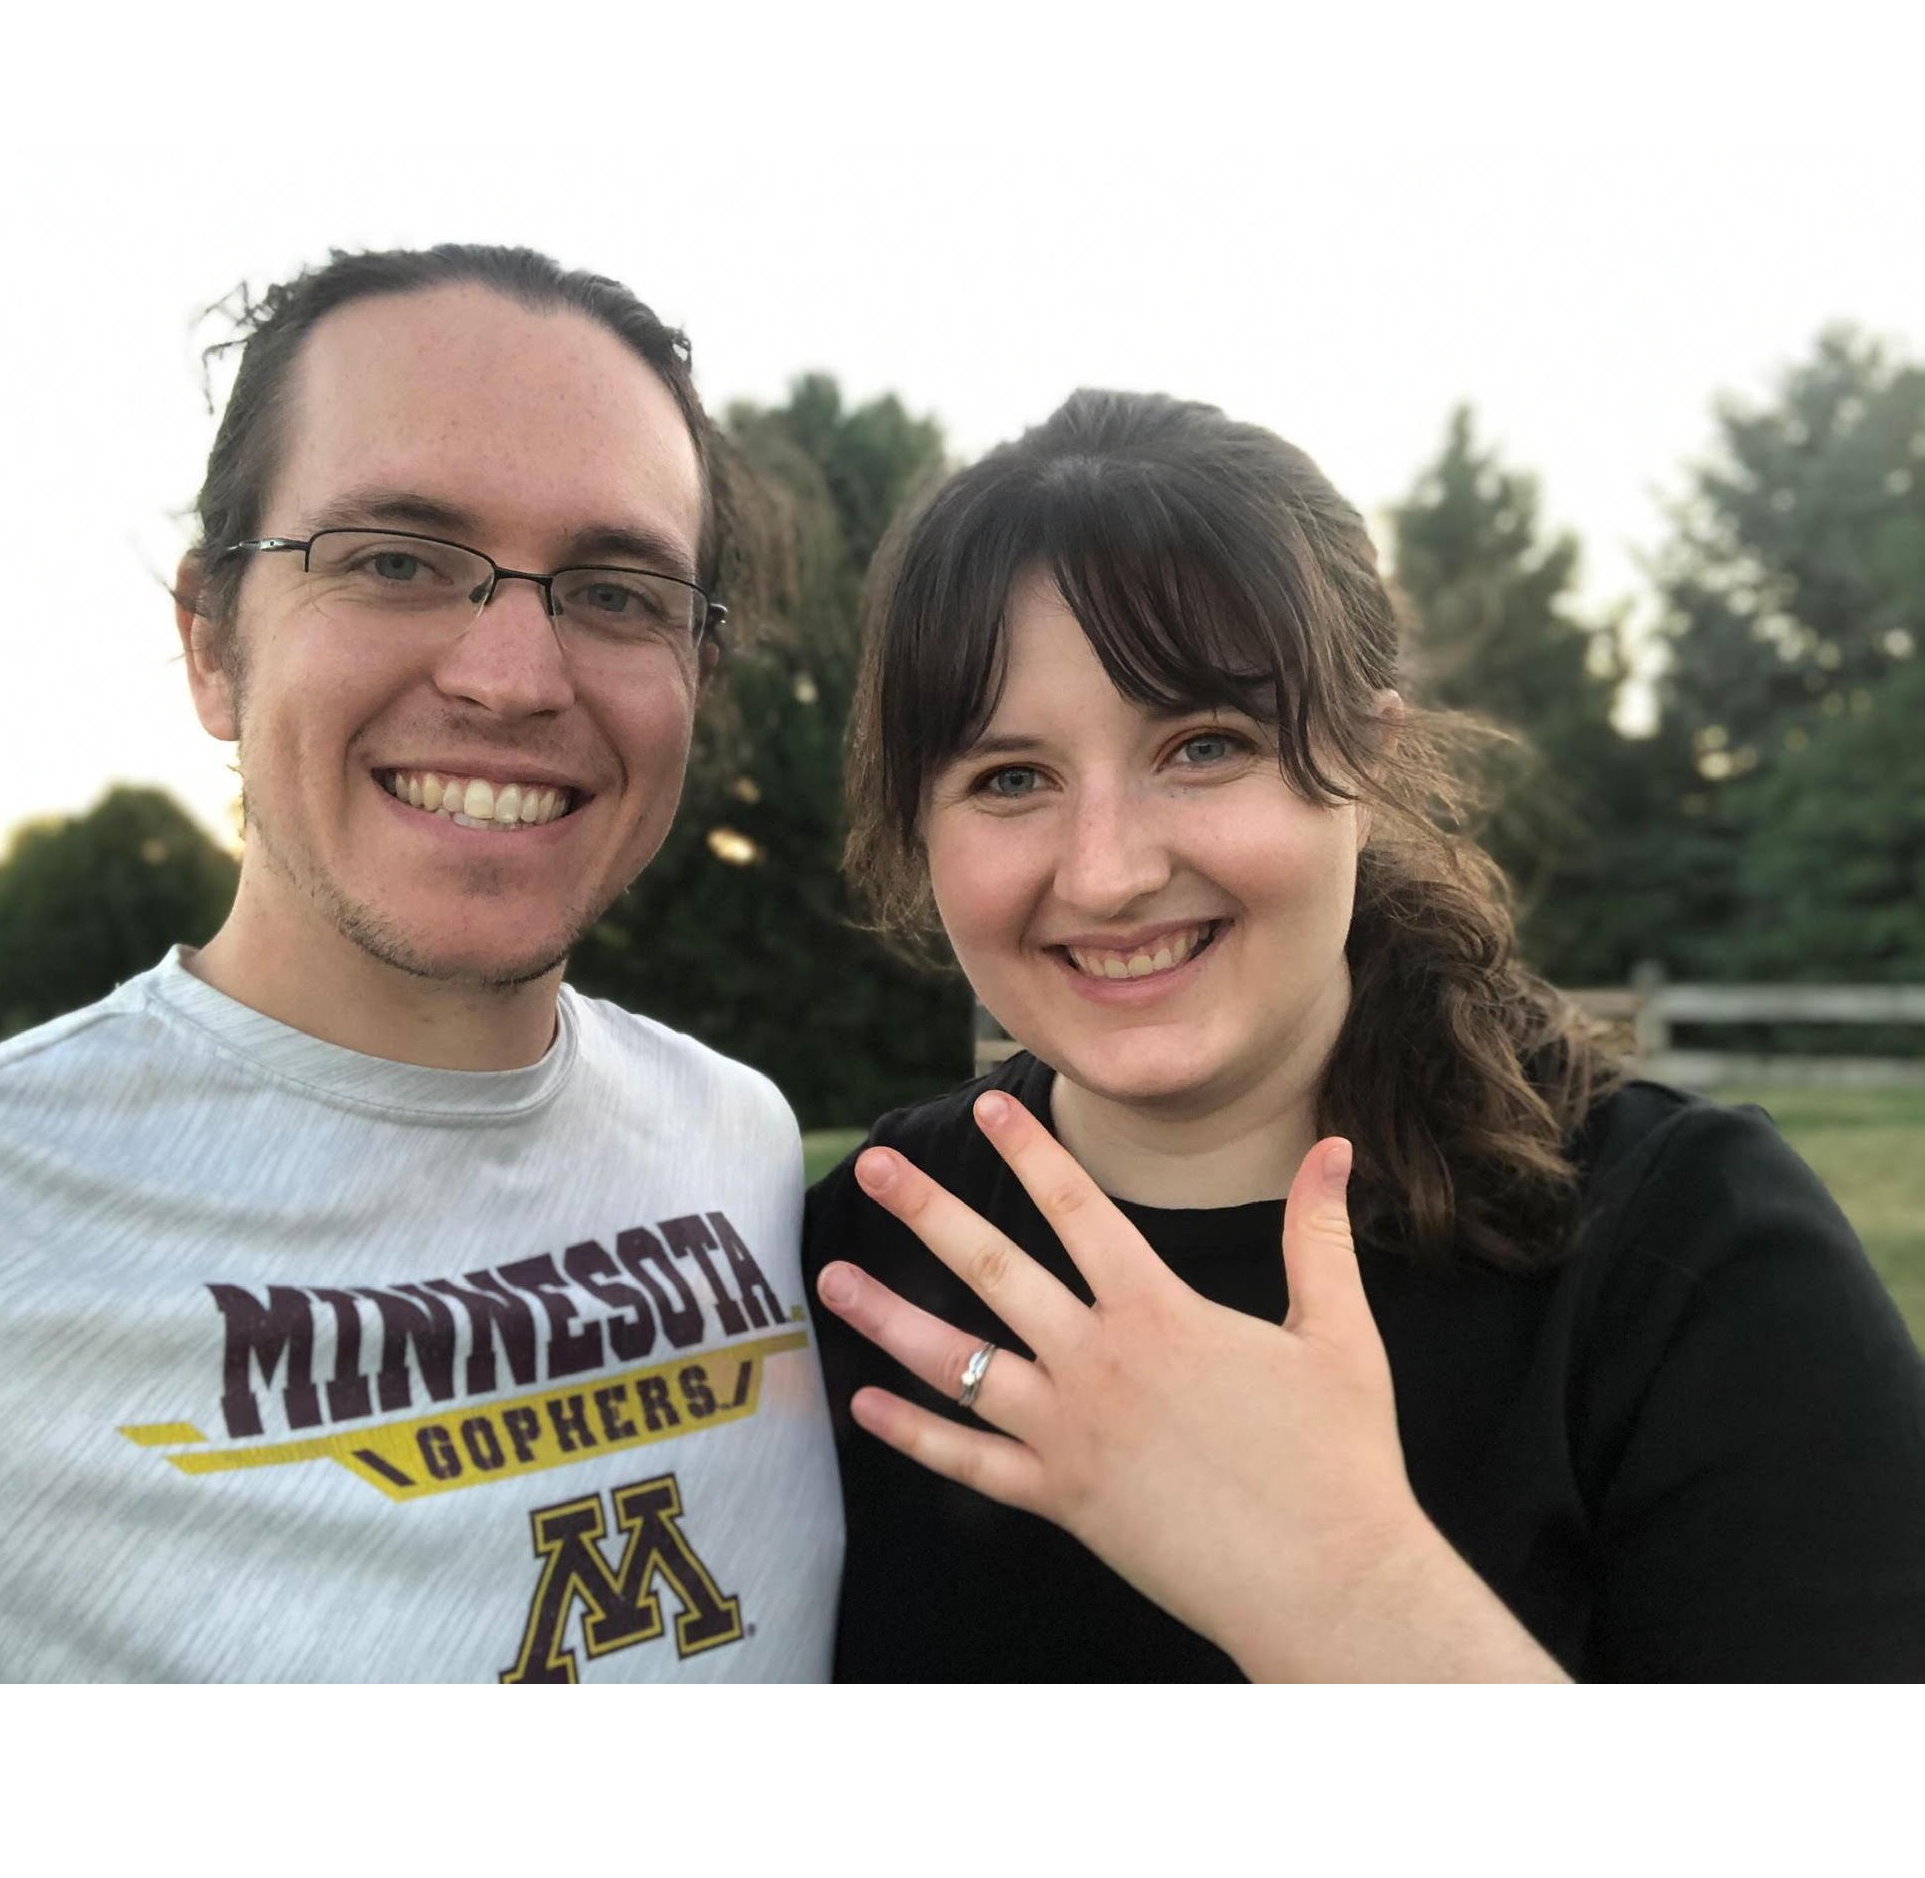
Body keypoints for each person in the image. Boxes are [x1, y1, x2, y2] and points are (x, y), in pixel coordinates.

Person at [802, 388, 1925, 1682]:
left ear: (1366, 760)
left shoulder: (1689, 1253)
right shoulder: (842, 1267)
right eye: (1011, 779)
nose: (1107, 874)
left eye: (1203, 746)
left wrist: (1345, 1588)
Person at [0, 245, 842, 1682]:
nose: (512, 679)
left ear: (694, 675)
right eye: (395, 561)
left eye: (618, 591)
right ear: (213, 645)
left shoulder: (742, 1140)